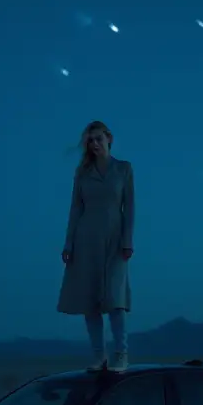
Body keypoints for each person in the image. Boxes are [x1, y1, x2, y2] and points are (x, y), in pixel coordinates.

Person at [57, 120, 135, 371]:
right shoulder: (82, 174)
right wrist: (68, 243)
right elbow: (75, 208)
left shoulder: (123, 169)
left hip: (114, 239)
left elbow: (130, 208)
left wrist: (127, 241)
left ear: (109, 138)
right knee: (89, 300)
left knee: (115, 298)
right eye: (90, 141)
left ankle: (121, 354)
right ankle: (98, 355)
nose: (94, 144)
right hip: (86, 239)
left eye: (98, 139)